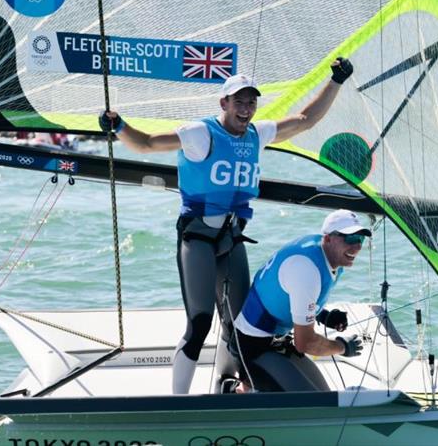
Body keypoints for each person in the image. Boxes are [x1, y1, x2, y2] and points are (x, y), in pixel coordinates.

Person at [99, 59, 354, 394]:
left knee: (239, 325)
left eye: (251, 102)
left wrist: (335, 80)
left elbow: (306, 120)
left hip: (232, 240)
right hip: (198, 238)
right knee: (200, 321)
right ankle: (179, 402)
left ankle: (236, 387)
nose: (246, 109)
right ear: (224, 103)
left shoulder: (257, 134)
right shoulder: (200, 133)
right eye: (239, 102)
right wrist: (118, 126)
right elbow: (147, 143)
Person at [229, 209, 369, 392]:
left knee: (324, 396)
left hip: (276, 341)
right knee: (316, 407)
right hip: (252, 349)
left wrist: (323, 315)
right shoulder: (306, 269)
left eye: (360, 239)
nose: (357, 247)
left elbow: (289, 296)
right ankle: (242, 389)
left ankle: (248, 388)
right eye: (349, 239)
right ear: (328, 238)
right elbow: (305, 343)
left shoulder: (328, 255)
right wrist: (342, 347)